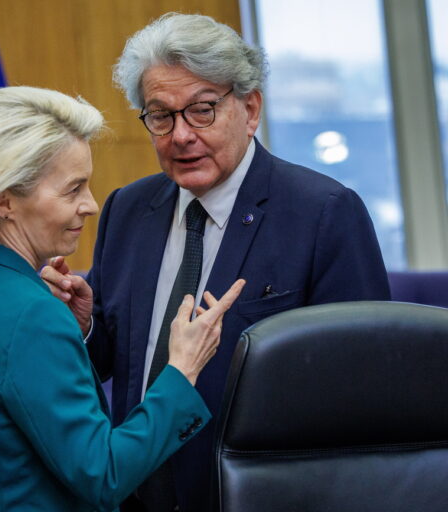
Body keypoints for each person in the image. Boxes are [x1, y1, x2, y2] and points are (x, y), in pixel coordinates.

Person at [41, 13, 391, 512]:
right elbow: (115, 363)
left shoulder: (323, 213)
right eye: (160, 115)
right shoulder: (128, 209)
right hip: (137, 493)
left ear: (250, 109)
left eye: (202, 110)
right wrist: (86, 326)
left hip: (262, 496)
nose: (181, 135)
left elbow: (363, 384)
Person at [0, 85, 245, 512]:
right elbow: (103, 476)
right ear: (4, 199)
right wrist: (181, 370)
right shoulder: (33, 316)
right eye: (72, 190)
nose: (90, 205)